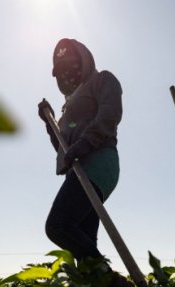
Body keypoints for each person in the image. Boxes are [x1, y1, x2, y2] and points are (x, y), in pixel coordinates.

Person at [37, 38, 122, 261]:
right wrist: (50, 122)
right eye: (62, 70)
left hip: (98, 160)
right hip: (78, 168)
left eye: (71, 65)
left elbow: (110, 114)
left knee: (58, 225)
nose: (68, 73)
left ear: (84, 60)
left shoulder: (102, 80)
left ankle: (108, 279)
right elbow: (62, 148)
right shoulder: (68, 108)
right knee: (83, 238)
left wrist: (84, 143)